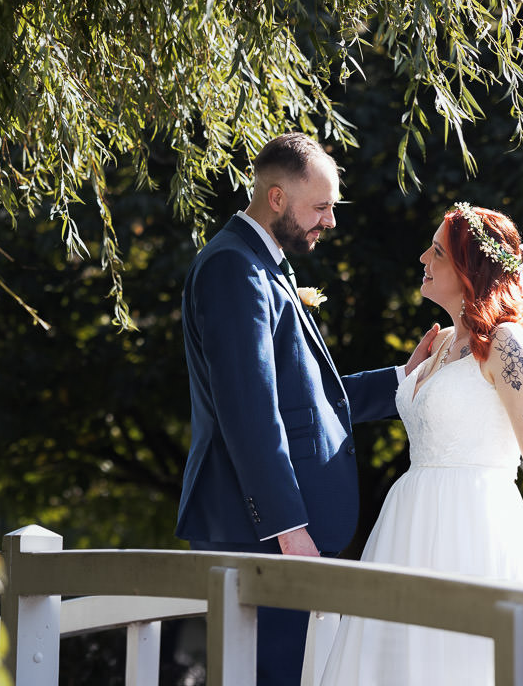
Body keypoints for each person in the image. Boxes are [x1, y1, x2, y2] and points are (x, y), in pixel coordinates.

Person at [308, 203, 523, 686]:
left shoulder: (507, 343)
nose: (423, 257)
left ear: (469, 271)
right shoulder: (439, 345)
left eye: (437, 252)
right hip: (406, 526)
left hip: (471, 525)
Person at [175, 133, 432, 686]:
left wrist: (401, 381)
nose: (330, 222)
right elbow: (249, 411)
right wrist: (289, 530)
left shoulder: (265, 265)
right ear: (275, 199)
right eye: (320, 207)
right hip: (262, 535)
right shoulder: (233, 270)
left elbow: (308, 401)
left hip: (277, 534)